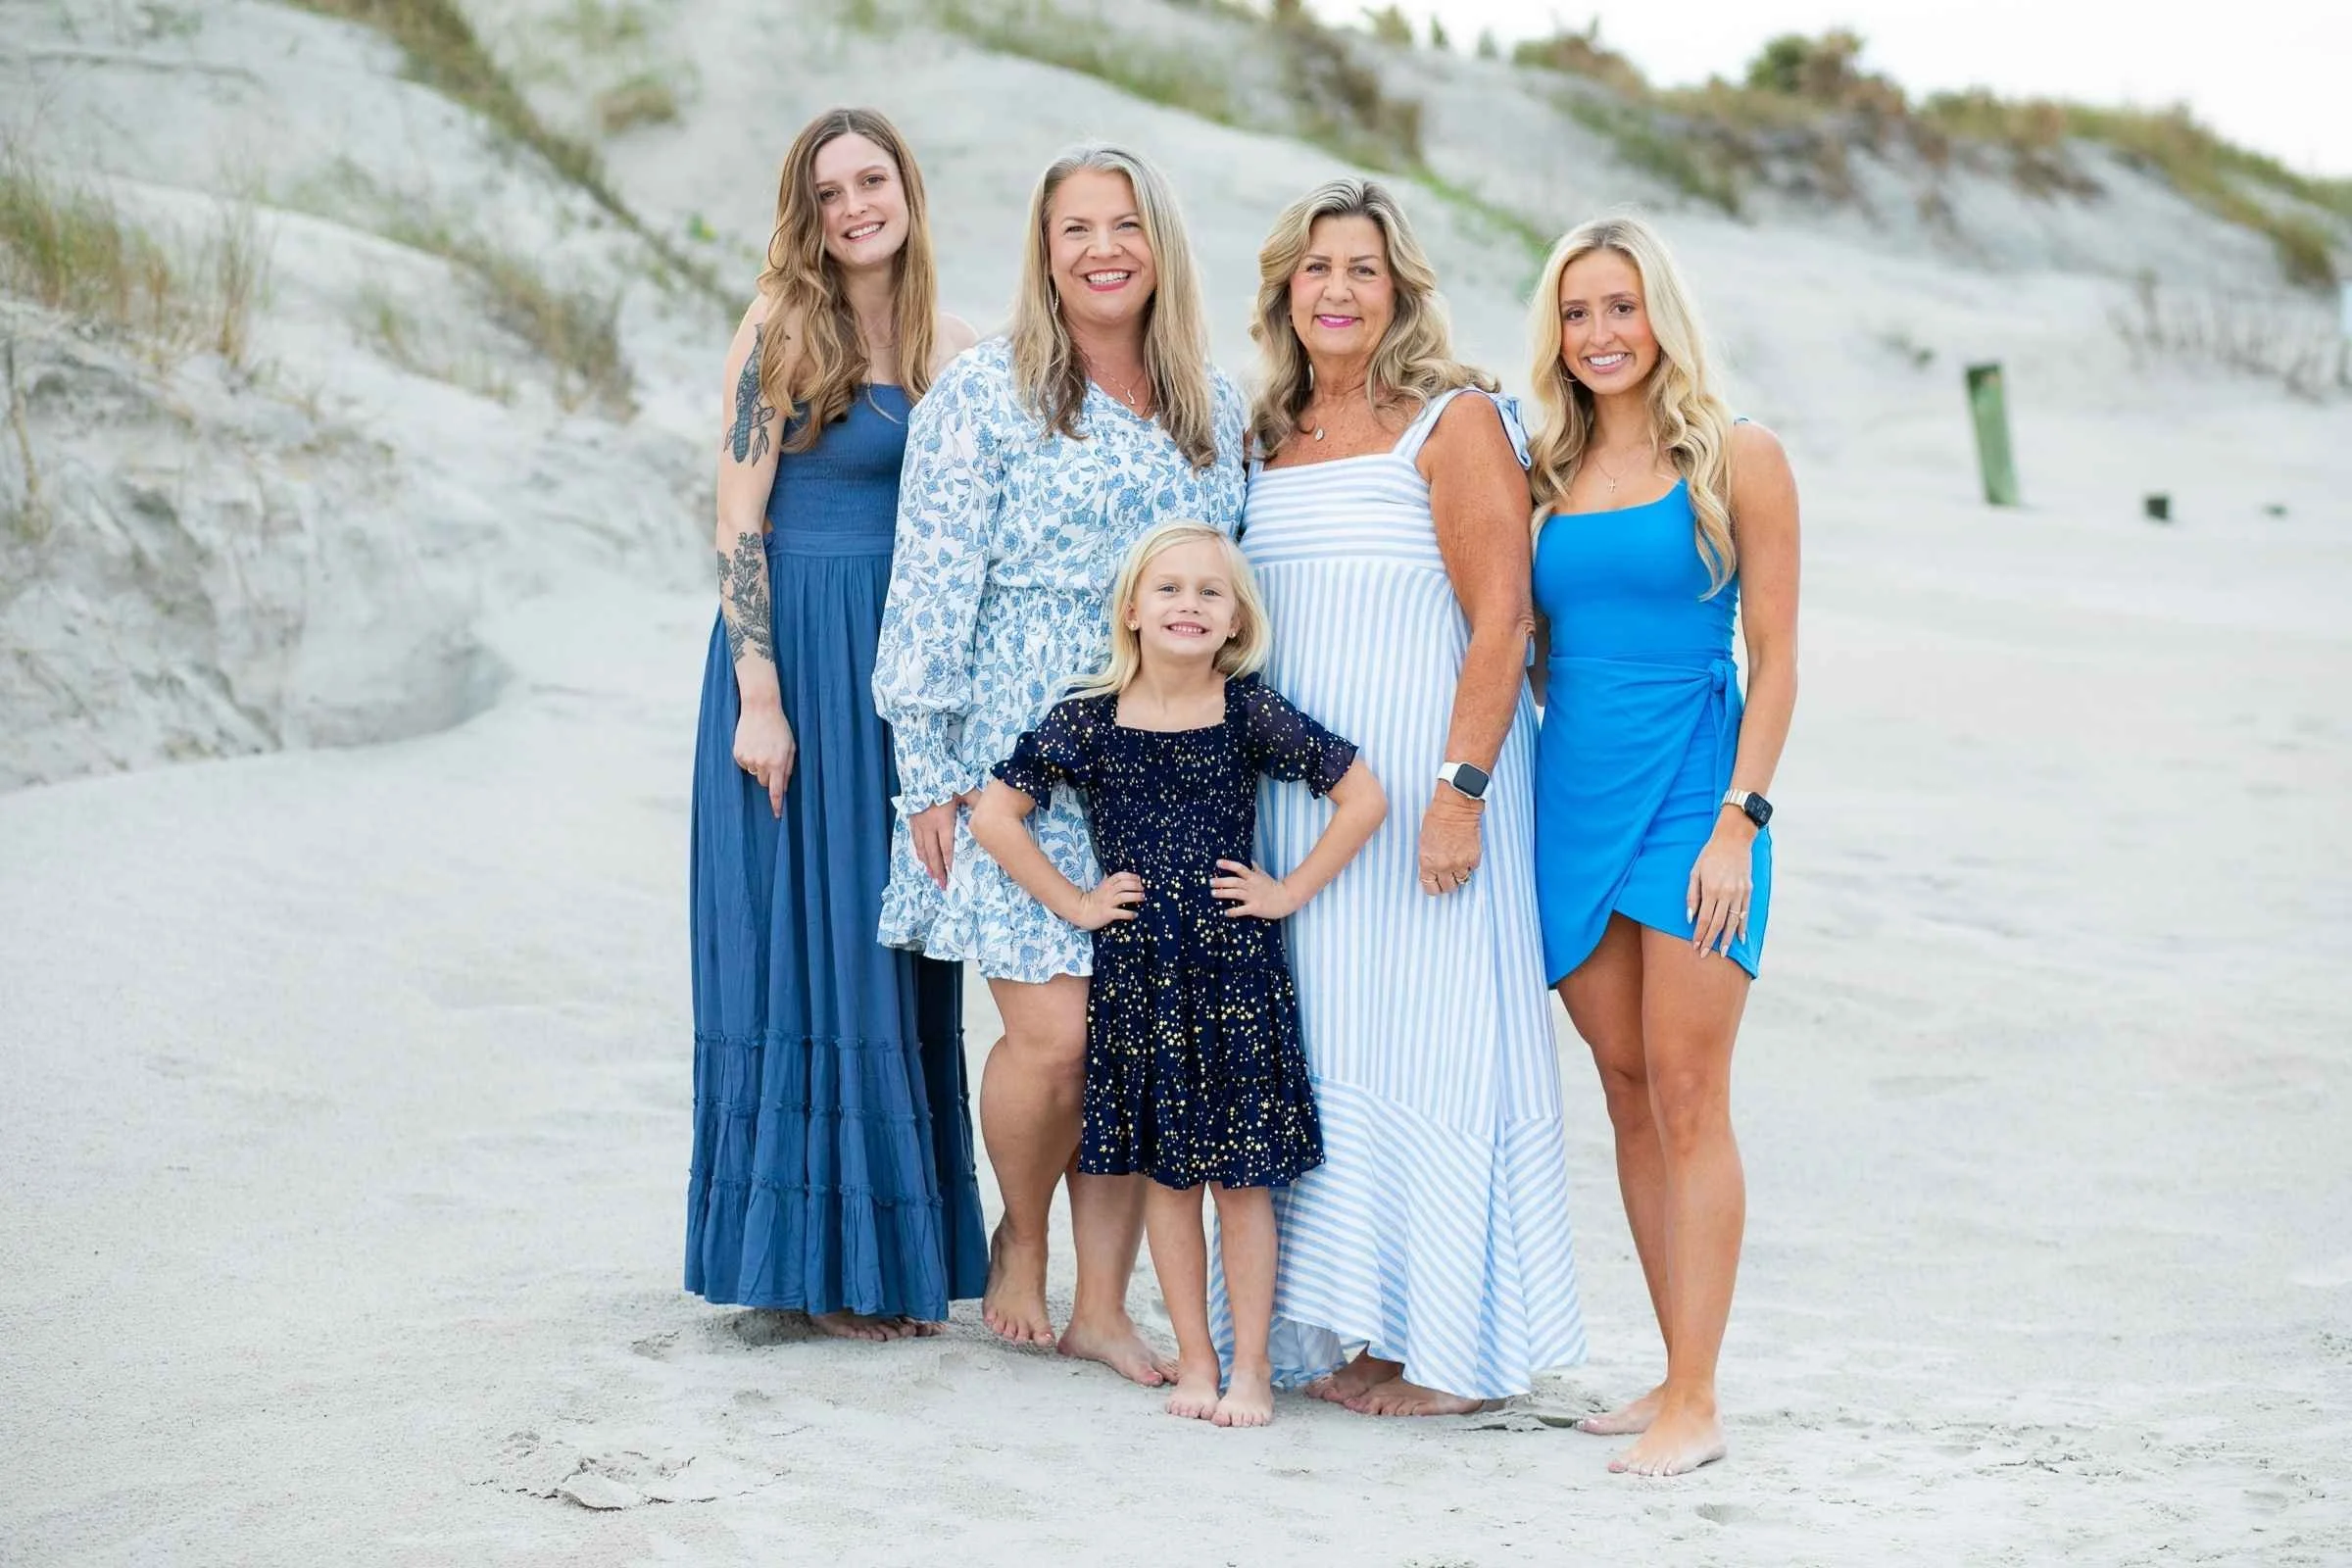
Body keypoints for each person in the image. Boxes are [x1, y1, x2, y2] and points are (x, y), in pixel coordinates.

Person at [873, 145, 1249, 1384]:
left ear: (1162, 244)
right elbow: (930, 586)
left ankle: (1104, 1301)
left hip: (1164, 771)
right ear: (1044, 250)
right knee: (1058, 1034)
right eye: (1076, 227)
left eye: (1126, 224)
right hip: (1012, 773)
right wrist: (924, 771)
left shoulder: (1215, 407)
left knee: (1133, 1037)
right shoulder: (984, 397)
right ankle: (1020, 1237)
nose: (1103, 249)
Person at [1220, 178, 1587, 1414]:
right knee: (1332, 1053)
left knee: (1435, 1045)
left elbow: (1502, 618)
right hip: (1308, 812)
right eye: (1315, 268)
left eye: (1361, 270)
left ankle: (1452, 1353)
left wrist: (1462, 791)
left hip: (1432, 793)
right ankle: (1356, 1329)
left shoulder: (1454, 421)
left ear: (1400, 291)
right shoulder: (1267, 438)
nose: (1335, 290)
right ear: (1285, 289)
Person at [970, 522, 1385, 1427]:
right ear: (1131, 609)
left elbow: (1365, 796)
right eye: (1169, 589)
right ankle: (1195, 1363)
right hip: (1139, 980)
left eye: (1210, 592)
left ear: (1237, 620)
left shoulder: (1248, 711)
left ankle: (1247, 1375)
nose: (1188, 605)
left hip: (1237, 980)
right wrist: (1076, 902)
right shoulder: (1087, 719)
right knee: (1167, 1181)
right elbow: (996, 817)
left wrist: (1289, 892)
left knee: (1241, 1185)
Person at [683, 108, 987, 1338]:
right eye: (829, 191)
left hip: (900, 674)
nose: (855, 204)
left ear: (906, 188)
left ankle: (883, 1255)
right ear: (805, 213)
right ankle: (809, 1264)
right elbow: (736, 518)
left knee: (896, 947)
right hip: (795, 664)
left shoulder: (954, 345)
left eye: (873, 180)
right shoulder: (778, 325)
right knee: (795, 949)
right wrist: (761, 695)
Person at [1525, 215, 1801, 1475]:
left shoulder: (1740, 455)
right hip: (1570, 800)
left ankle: (1699, 1397)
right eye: (1577, 313)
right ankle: (1672, 1363)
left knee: (1692, 1095)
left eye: (1621, 308)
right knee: (1627, 1091)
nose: (1600, 334)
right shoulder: (1543, 470)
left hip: (1697, 800)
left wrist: (1740, 823)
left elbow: (1779, 659)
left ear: (1661, 316)